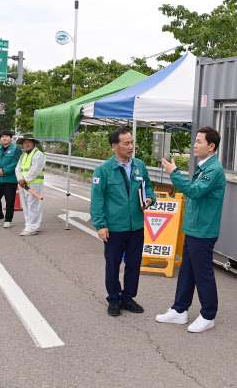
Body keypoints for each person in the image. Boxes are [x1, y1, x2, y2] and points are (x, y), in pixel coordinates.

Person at [156, 126, 226, 333]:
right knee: (187, 271)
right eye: (194, 141)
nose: (194, 145)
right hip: (194, 228)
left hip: (203, 231)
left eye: (199, 142)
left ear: (211, 146)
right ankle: (179, 310)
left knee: (203, 273)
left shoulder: (213, 170)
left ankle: (208, 315)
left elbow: (195, 192)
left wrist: (174, 174)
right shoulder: (205, 166)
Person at [90, 127, 155, 317]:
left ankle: (128, 298)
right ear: (114, 146)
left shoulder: (139, 166)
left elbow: (148, 188)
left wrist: (150, 199)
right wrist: (101, 225)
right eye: (126, 143)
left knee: (134, 263)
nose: (131, 146)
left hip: (136, 226)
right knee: (113, 264)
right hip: (115, 228)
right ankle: (113, 299)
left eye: (132, 142)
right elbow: (98, 200)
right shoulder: (103, 170)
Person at [0, 130, 22, 228]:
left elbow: (16, 162)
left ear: (11, 138)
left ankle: (8, 220)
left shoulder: (16, 150)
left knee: (10, 201)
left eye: (7, 136)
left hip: (10, 180)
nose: (4, 138)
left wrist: (5, 171)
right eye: (2, 137)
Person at [14, 134, 46, 236]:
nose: (26, 144)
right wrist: (20, 179)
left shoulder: (38, 154)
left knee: (33, 206)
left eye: (29, 142)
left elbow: (35, 169)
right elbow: (18, 168)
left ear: (34, 143)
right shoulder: (23, 156)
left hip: (34, 184)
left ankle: (32, 228)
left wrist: (25, 179)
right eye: (25, 142)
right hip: (23, 184)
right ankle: (30, 225)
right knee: (26, 206)